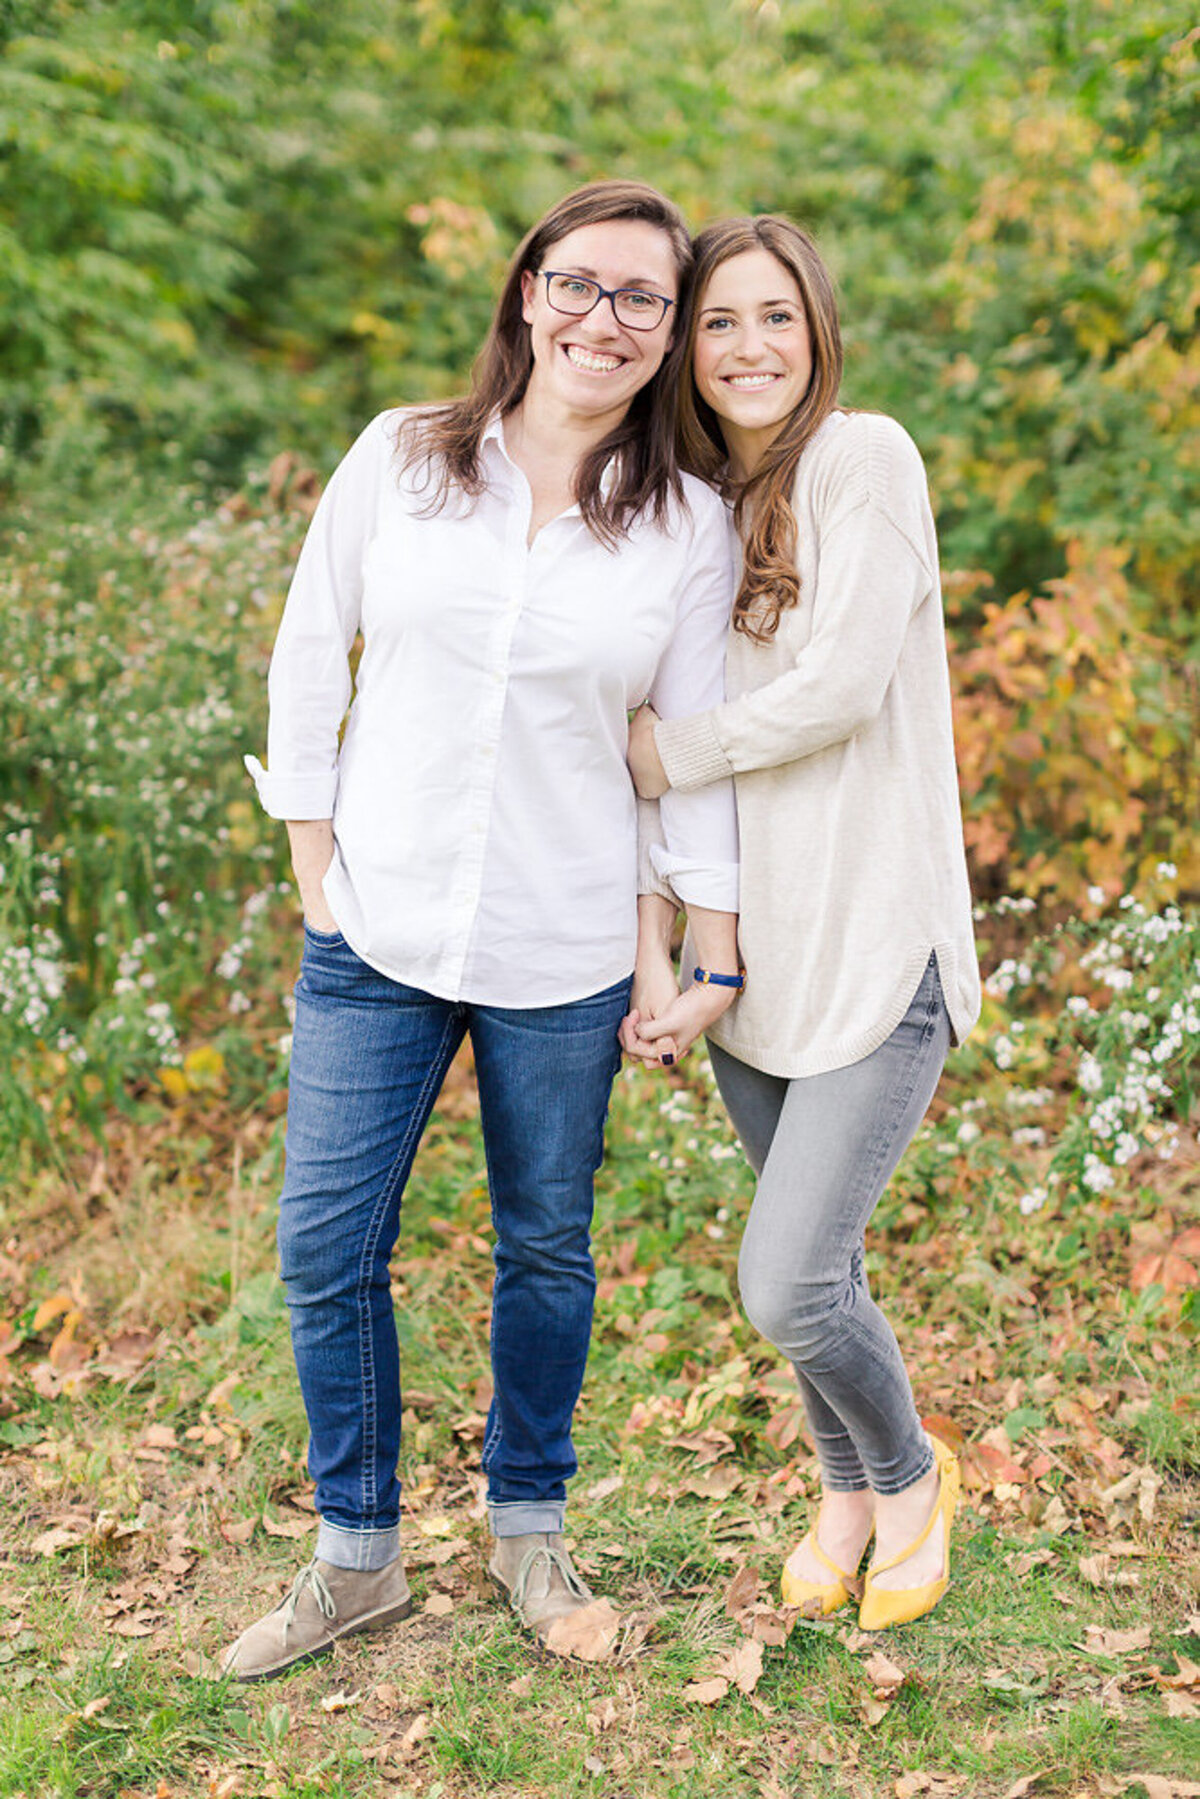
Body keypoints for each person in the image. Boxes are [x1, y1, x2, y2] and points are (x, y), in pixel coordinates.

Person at [228, 180, 742, 1679]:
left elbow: (686, 756)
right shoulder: (403, 459)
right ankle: (358, 1558)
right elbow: (308, 653)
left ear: (667, 335)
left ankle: (529, 1530)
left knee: (546, 1251)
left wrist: (692, 957)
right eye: (580, 284)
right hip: (374, 932)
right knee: (326, 1247)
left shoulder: (685, 528)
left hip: (565, 944)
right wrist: (316, 869)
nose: (607, 318)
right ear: (527, 292)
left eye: (644, 298)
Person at [626, 215, 981, 1631]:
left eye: (776, 316)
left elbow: (835, 685)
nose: (749, 346)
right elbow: (635, 742)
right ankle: (842, 1497)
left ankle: (909, 1475)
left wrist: (676, 750)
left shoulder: (865, 457)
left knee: (785, 1283)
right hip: (749, 965)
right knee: (814, 1263)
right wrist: (664, 944)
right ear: (687, 351)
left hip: (877, 941)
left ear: (817, 328)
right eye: (720, 323)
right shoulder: (697, 511)